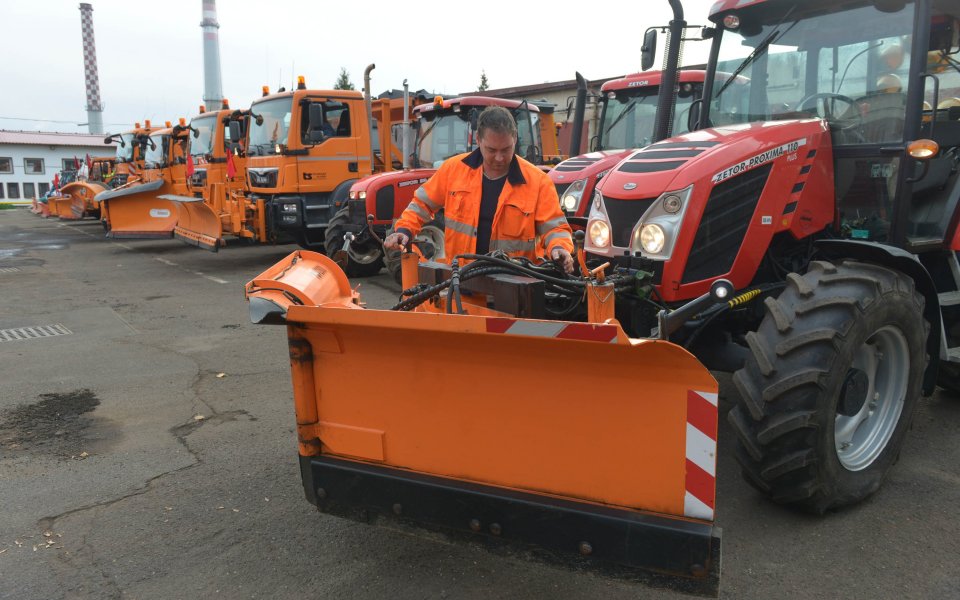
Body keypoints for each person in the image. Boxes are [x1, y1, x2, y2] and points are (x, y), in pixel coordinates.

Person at [384, 105, 575, 273]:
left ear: (515, 139)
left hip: (515, 287)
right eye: (491, 150)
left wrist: (559, 247)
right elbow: (421, 204)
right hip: (461, 281)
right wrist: (405, 230)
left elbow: (555, 228)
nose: (499, 158)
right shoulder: (453, 170)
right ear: (478, 139)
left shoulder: (538, 182)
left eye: (506, 149)